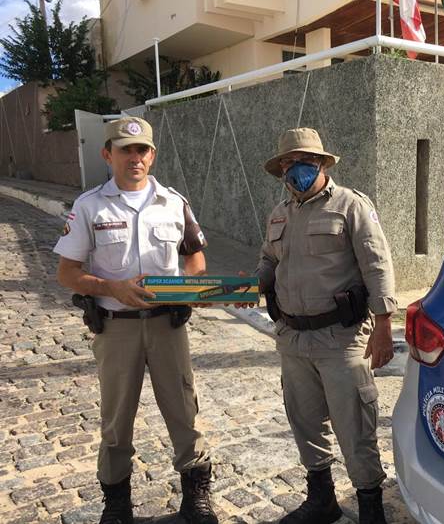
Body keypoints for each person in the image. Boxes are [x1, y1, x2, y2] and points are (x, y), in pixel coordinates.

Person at [53, 117, 218, 524]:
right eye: (125, 149)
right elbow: (67, 272)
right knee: (116, 419)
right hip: (117, 328)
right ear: (107, 154)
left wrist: (192, 290)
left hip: (168, 326)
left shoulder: (173, 202)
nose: (134, 157)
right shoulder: (89, 206)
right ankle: (117, 504)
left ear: (152, 155)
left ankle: (195, 498)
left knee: (184, 411)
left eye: (142, 149)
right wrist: (111, 287)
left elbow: (194, 257)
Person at [256, 127, 397, 524]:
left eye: (303, 160)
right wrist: (251, 284)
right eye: (287, 162)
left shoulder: (350, 205)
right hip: (292, 338)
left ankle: (370, 509)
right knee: (305, 423)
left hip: (342, 338)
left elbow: (376, 263)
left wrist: (384, 324)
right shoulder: (279, 213)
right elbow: (269, 259)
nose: (294, 168)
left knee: (355, 428)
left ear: (321, 163)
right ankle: (322, 500)